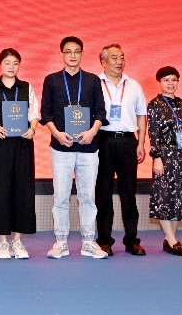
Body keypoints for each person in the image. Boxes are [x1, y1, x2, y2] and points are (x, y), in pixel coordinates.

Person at [40, 36, 108, 260]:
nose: (72, 55)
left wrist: (92, 132)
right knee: (61, 196)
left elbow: (100, 112)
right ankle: (61, 241)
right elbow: (46, 113)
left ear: (82, 54)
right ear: (61, 54)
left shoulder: (92, 80)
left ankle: (88, 241)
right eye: (68, 51)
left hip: (88, 147)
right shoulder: (51, 80)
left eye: (76, 51)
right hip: (61, 147)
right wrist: (57, 134)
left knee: (87, 196)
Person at [94, 43, 148, 257]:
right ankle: (104, 241)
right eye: (114, 58)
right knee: (103, 193)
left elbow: (141, 116)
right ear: (103, 61)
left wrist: (141, 143)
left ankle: (132, 240)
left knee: (129, 192)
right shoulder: (94, 83)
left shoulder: (134, 85)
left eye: (122, 57)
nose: (119, 62)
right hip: (102, 140)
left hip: (127, 141)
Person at [0, 48, 38, 259]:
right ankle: (3, 242)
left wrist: (32, 129)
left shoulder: (26, 87)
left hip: (23, 143)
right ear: (0, 65)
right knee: (1, 189)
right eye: (7, 63)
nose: (11, 66)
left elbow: (34, 114)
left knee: (23, 189)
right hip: (2, 143)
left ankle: (17, 241)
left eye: (15, 63)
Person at [148, 66, 182, 256]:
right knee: (165, 197)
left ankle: (171, 240)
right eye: (166, 80)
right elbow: (153, 133)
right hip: (165, 155)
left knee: (180, 197)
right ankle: (171, 240)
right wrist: (157, 157)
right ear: (159, 82)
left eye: (174, 80)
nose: (170, 83)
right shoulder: (154, 104)